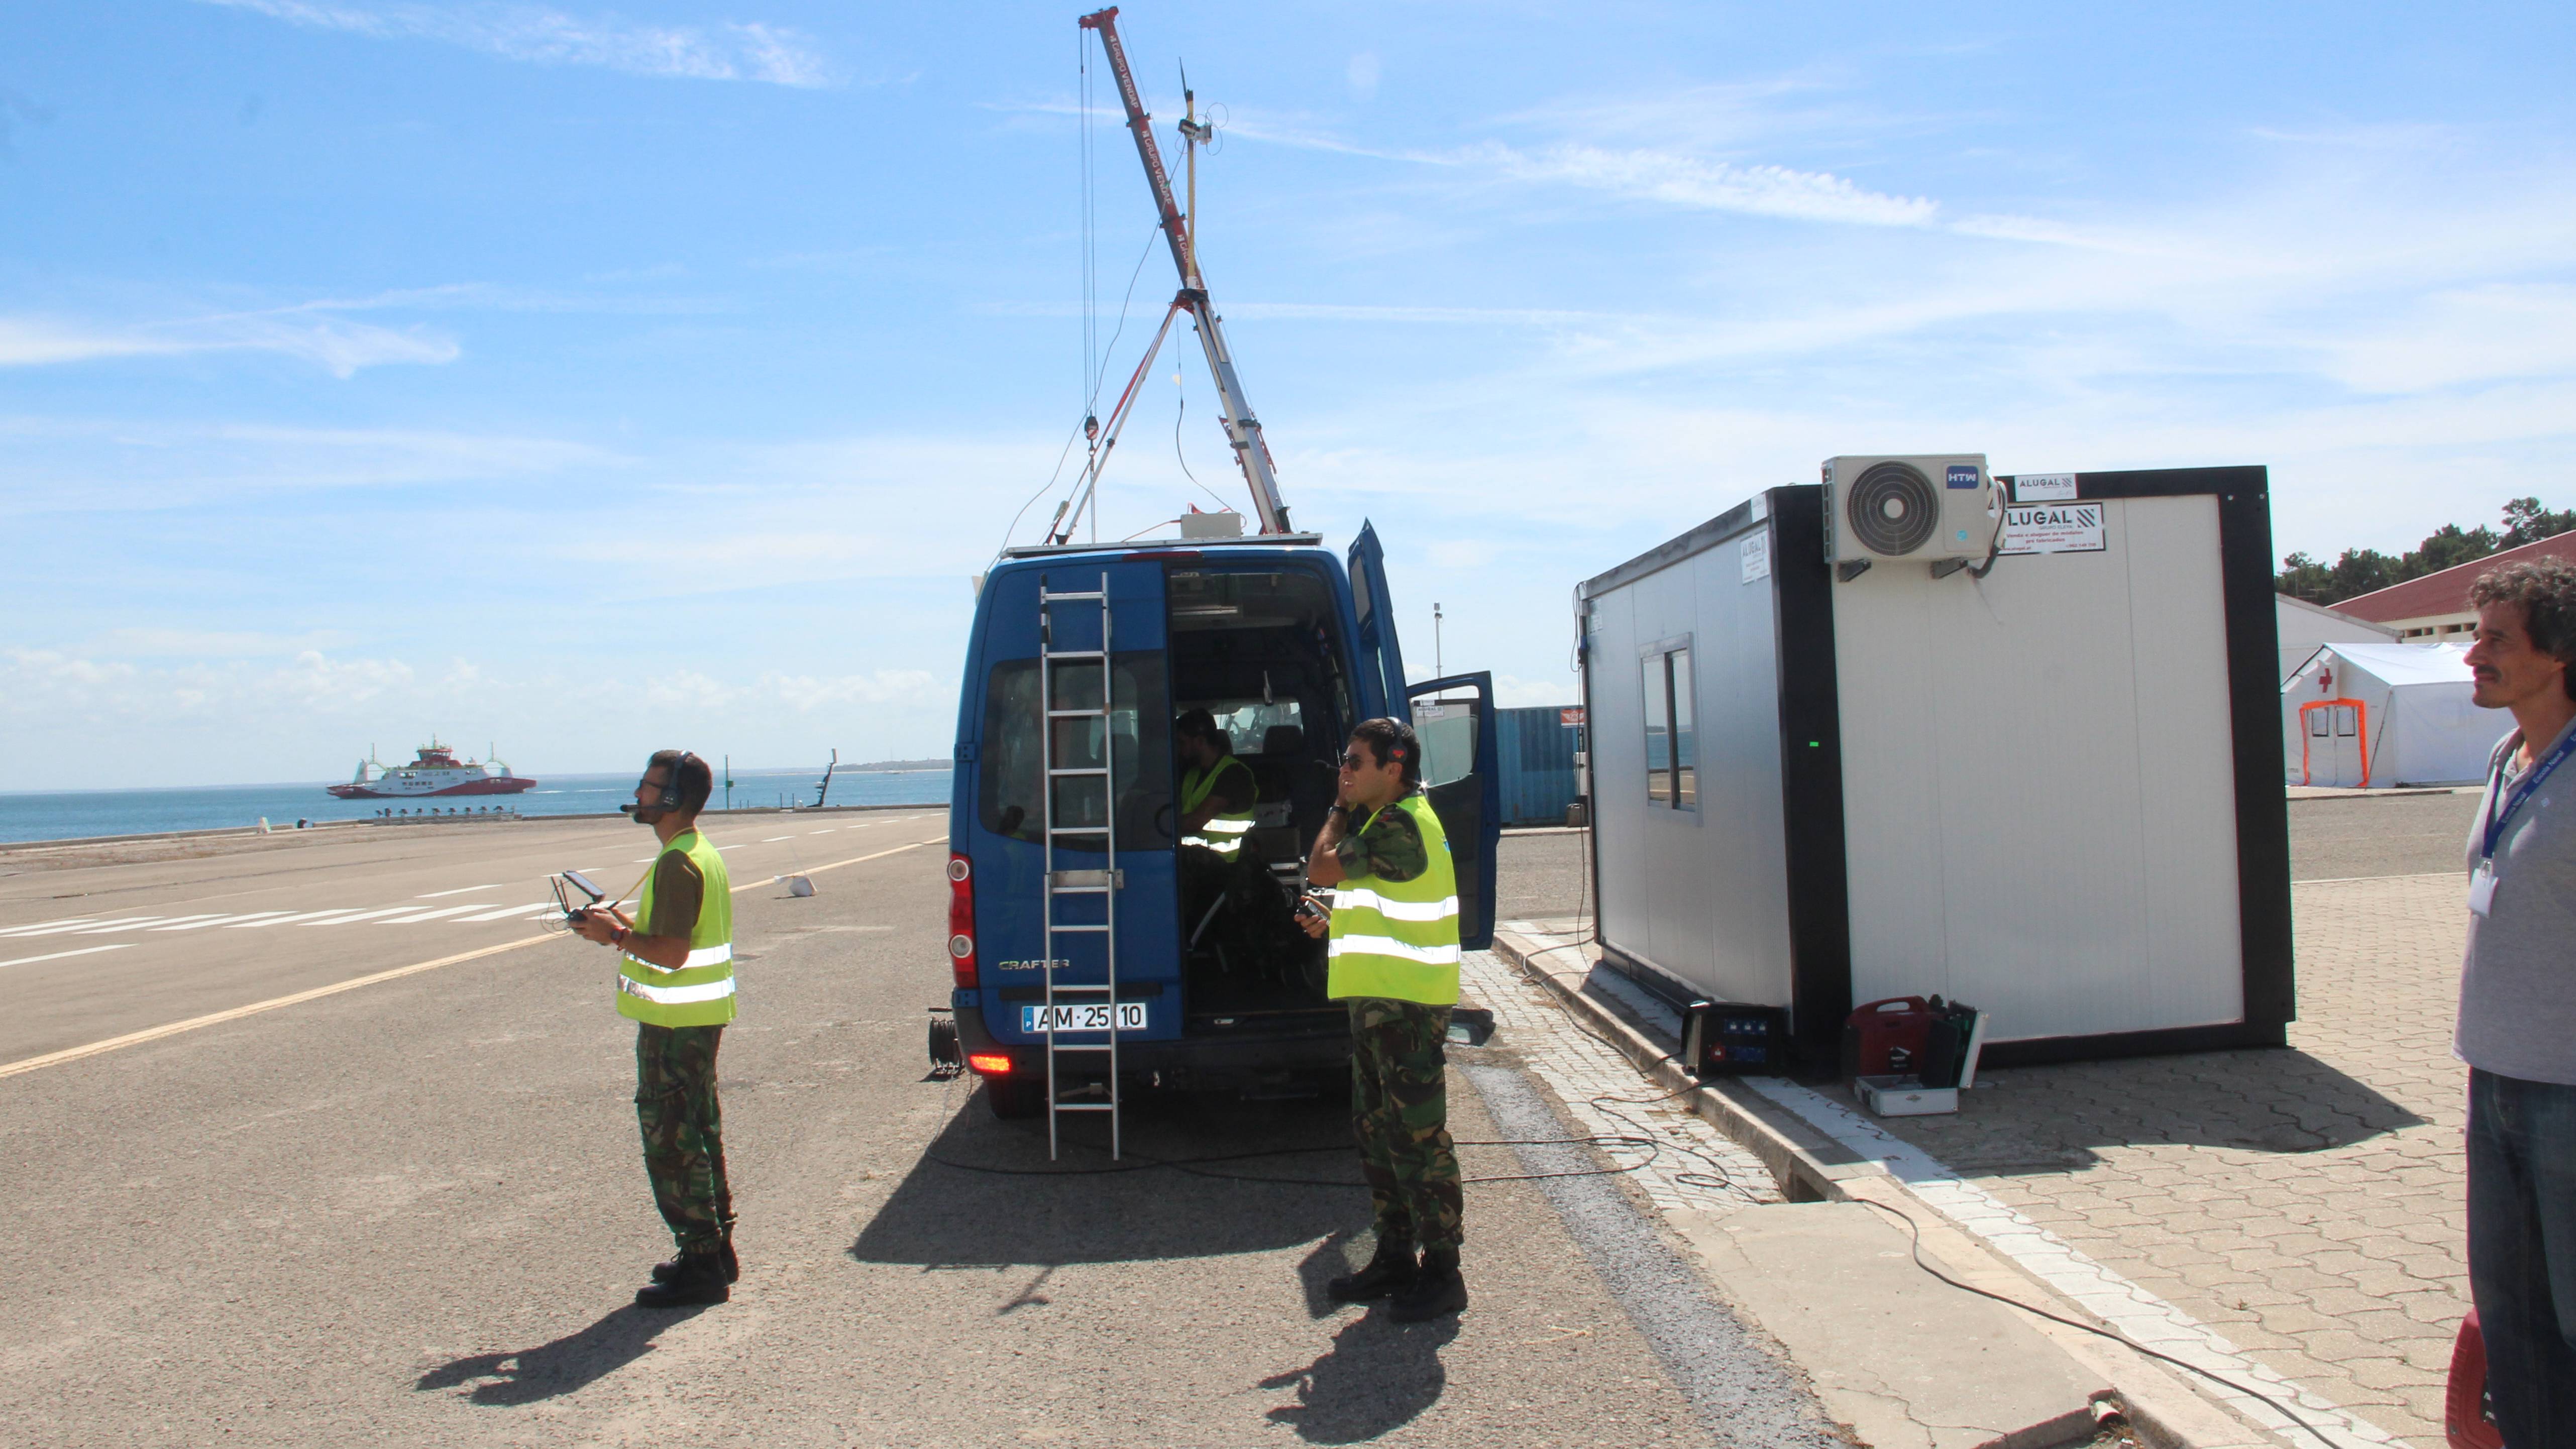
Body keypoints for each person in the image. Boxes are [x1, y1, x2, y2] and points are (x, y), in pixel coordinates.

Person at [2455, 559, 2576, 1439]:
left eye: (2497, 638)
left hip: (2568, 1091)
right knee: (2515, 1322)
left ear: (2558, 653)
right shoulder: (2507, 757)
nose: (2471, 653)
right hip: (2492, 1079)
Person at [1298, 717, 1467, 1322]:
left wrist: (1336, 811)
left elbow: (1321, 865)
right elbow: (1358, 891)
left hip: (1407, 1010)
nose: (1344, 771)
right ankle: (1395, 1256)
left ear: (1392, 768)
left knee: (1420, 1139)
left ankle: (1444, 1271)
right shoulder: (1384, 820)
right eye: (1344, 761)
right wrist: (1332, 912)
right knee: (1378, 1134)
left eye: (1355, 762)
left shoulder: (1397, 824)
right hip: (1378, 1006)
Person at [574, 749, 739, 1308]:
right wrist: (621, 926)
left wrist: (614, 938)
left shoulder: (676, 861)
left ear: (670, 798)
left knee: (670, 1140)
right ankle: (715, 1250)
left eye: (648, 786)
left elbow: (670, 952)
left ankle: (701, 1262)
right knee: (700, 1130)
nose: (639, 794)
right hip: (697, 1017)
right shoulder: (697, 851)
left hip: (674, 1023)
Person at [1175, 709, 1258, 861]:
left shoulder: (1234, 774)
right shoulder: (1191, 774)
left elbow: (1195, 822)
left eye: (1182, 743)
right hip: (1196, 864)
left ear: (1200, 742)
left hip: (1228, 867)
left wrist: (1157, 830)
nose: (1178, 749)